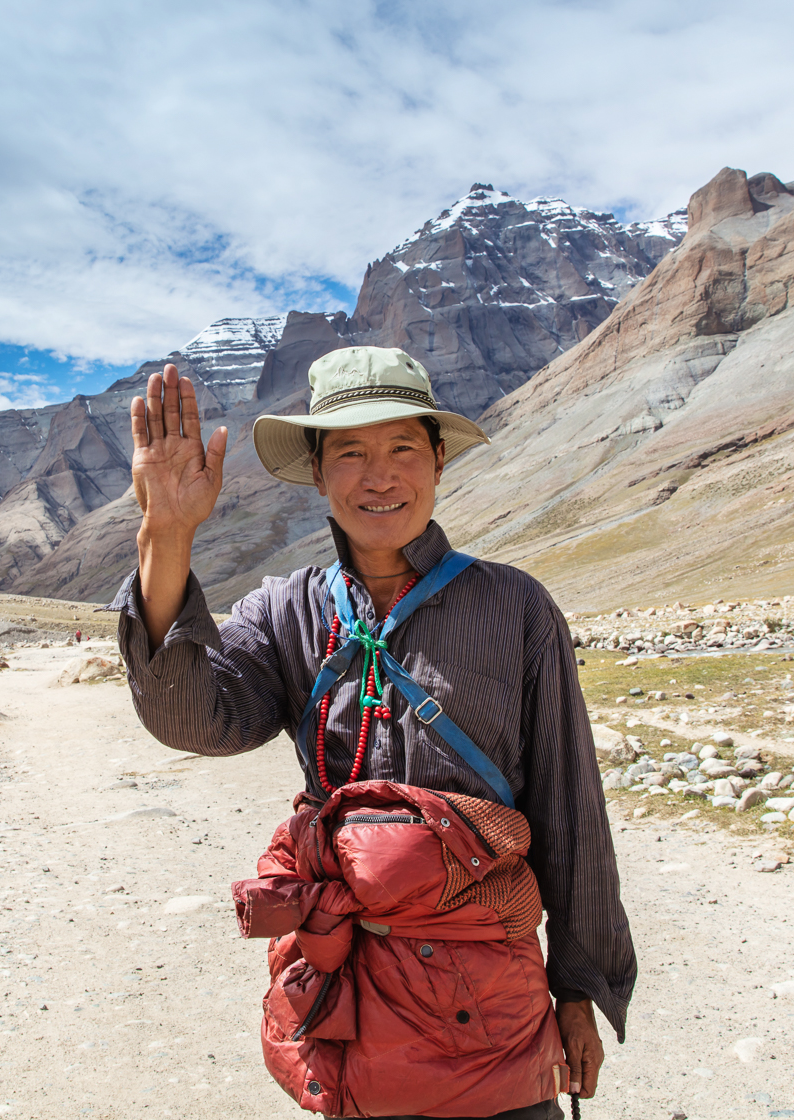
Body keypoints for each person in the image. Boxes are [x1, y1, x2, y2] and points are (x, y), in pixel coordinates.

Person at [112, 347, 635, 1119]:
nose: (379, 477)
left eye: (402, 449)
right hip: (352, 1000)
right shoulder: (285, 611)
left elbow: (571, 811)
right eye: (351, 453)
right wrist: (167, 533)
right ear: (319, 473)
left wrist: (581, 990)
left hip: (492, 1005)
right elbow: (193, 718)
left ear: (439, 460)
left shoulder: (516, 608)